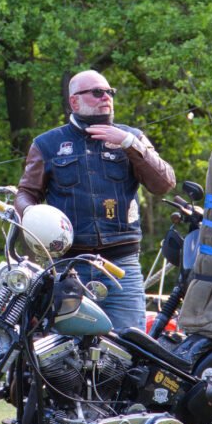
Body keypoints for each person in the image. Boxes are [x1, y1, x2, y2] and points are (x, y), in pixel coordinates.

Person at [16, 69, 175, 331]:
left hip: (121, 266)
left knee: (130, 348)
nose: (106, 97)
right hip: (69, 266)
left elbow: (164, 183)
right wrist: (30, 214)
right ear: (74, 101)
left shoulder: (131, 137)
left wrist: (129, 143)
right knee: (65, 350)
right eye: (98, 92)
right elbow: (26, 192)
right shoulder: (47, 144)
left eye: (109, 92)